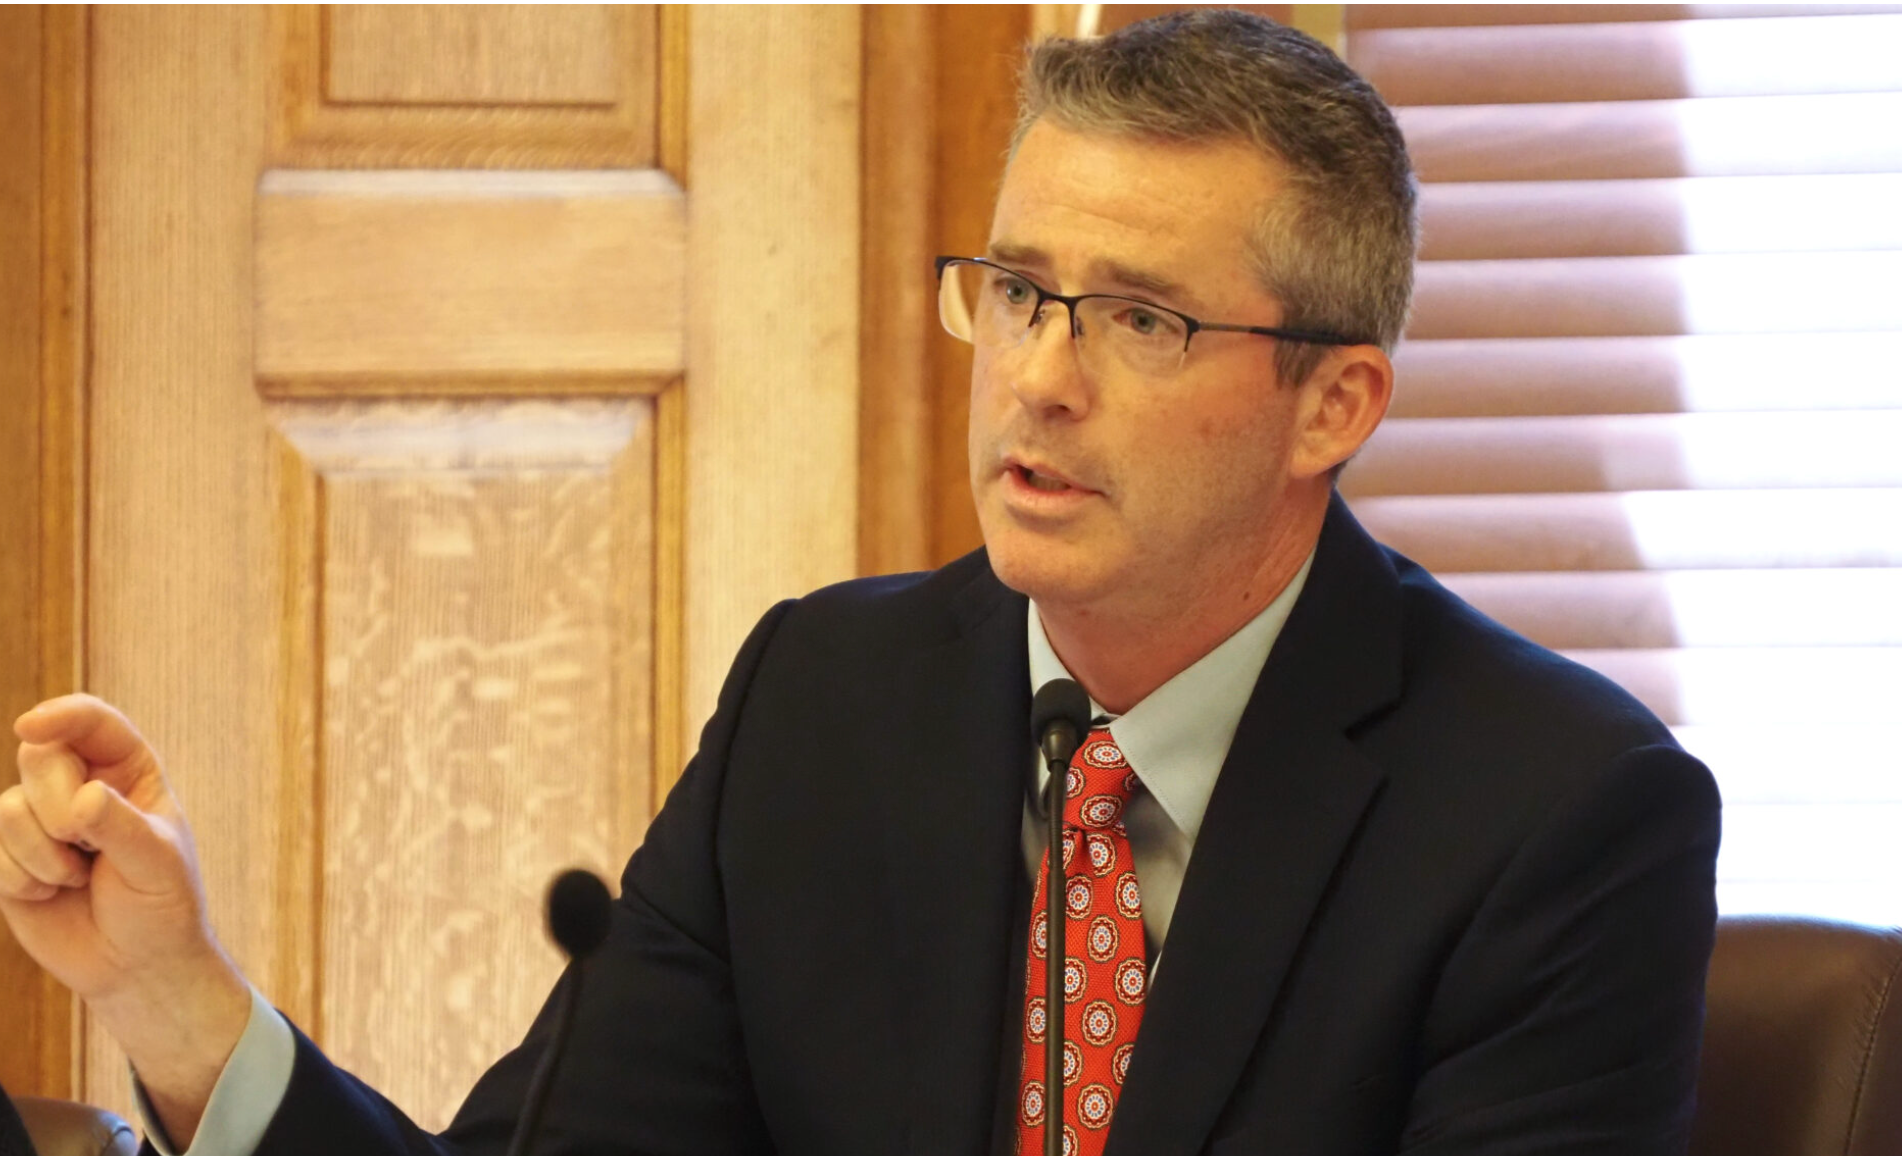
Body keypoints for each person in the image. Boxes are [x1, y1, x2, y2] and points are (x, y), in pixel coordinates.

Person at [0, 11, 1720, 1156]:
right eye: (1019, 289)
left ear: (1330, 402)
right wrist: (175, 999)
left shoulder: (1560, 817)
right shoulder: (827, 704)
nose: (1040, 378)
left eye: (1139, 320)